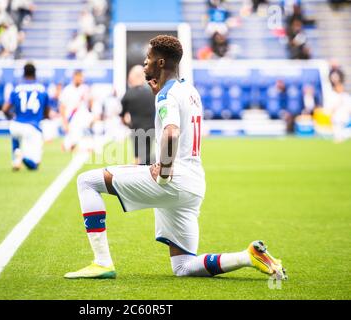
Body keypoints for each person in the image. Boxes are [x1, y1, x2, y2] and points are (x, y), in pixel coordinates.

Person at [64, 35, 287, 280]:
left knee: (87, 181)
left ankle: (102, 262)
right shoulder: (189, 90)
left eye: (148, 59)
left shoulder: (166, 95)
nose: (145, 63)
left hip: (173, 179)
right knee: (183, 266)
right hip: (193, 183)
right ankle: (248, 257)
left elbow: (171, 133)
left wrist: (164, 174)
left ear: (160, 62)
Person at [2, 62, 50, 171]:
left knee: (15, 133)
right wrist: (42, 117)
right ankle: (22, 157)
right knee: (34, 165)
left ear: (23, 74)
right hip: (32, 128)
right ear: (35, 73)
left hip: (16, 125)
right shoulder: (42, 89)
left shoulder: (17, 88)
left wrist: (11, 118)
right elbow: (47, 111)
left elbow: (5, 109)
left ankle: (16, 156)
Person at [120, 65, 155, 165]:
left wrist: (129, 124)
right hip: (151, 130)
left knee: (138, 158)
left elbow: (122, 117)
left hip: (136, 130)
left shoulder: (128, 94)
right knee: (147, 157)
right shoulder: (152, 93)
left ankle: (139, 178)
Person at [59, 70, 93, 152]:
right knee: (68, 145)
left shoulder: (85, 89)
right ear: (74, 77)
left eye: (81, 77)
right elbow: (62, 106)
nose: (80, 79)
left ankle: (88, 146)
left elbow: (90, 102)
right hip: (72, 118)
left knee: (86, 138)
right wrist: (64, 122)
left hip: (83, 117)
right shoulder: (67, 90)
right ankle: (69, 144)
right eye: (78, 77)